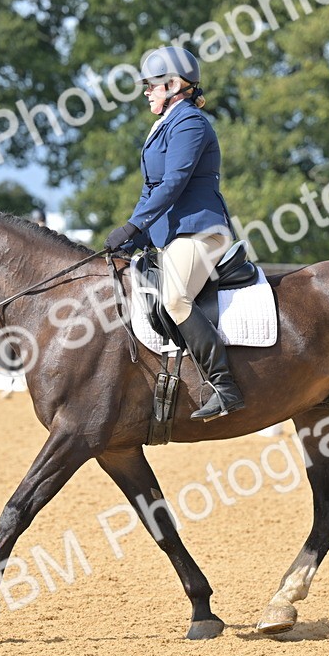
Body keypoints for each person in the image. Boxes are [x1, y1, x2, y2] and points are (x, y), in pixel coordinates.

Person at [104, 46, 244, 422]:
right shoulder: (164, 125)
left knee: (175, 298)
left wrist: (134, 225)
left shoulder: (190, 123)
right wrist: (133, 236)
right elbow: (151, 190)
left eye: (151, 85)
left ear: (174, 85)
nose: (146, 92)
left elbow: (174, 183)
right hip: (172, 235)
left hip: (200, 231)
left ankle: (224, 386)